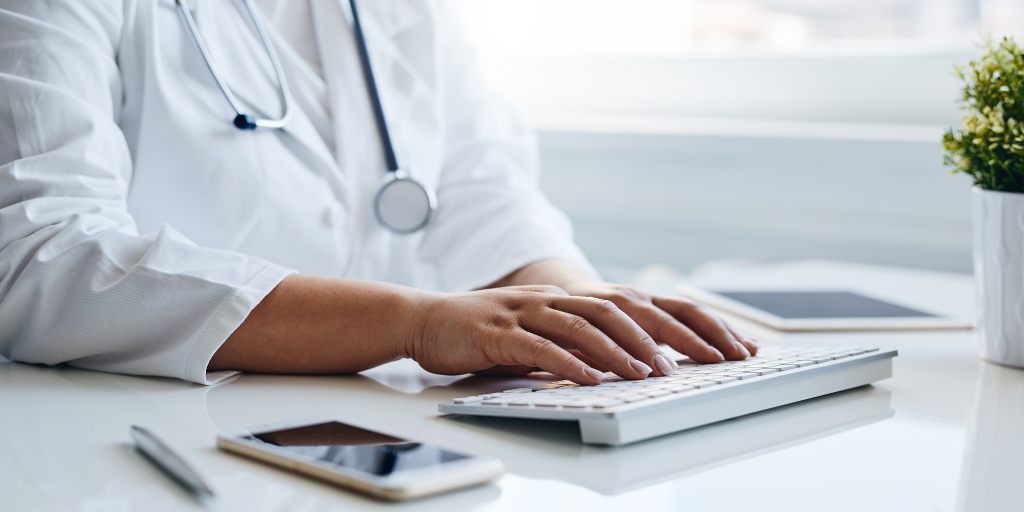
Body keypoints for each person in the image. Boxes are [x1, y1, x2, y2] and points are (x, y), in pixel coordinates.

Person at [0, 0, 757, 386]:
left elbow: (479, 184)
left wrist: (573, 308)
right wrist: (415, 322)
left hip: (383, 445)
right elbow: (39, 253)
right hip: (150, 447)